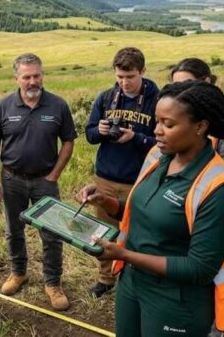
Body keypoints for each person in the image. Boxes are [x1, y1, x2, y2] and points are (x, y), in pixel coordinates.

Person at [80, 80, 224, 337]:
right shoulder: (157, 158)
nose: (157, 131)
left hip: (176, 299)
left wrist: (123, 255)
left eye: (168, 124)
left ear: (201, 127)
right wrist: (106, 201)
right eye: (156, 121)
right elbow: (146, 213)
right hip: (132, 283)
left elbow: (200, 269)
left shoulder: (220, 189)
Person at [0, 53, 77, 311]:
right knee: (14, 230)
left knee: (52, 233)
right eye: (27, 77)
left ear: (42, 75)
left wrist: (54, 175)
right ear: (17, 78)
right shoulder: (2, 107)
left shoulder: (58, 105)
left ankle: (53, 283)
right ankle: (18, 272)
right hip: (12, 179)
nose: (33, 81)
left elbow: (68, 141)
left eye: (37, 75)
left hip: (45, 181)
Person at [84, 46, 159, 298]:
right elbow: (90, 135)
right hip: (105, 177)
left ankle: (136, 278)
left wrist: (136, 137)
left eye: (130, 77)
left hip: (140, 180)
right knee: (103, 232)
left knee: (139, 233)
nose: (124, 83)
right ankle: (105, 278)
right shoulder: (105, 98)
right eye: (119, 77)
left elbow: (164, 141)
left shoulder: (157, 100)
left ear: (143, 71)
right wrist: (101, 131)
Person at [170, 57, 224, 178]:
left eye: (187, 84)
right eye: (175, 86)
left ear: (206, 82)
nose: (179, 92)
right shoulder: (177, 119)